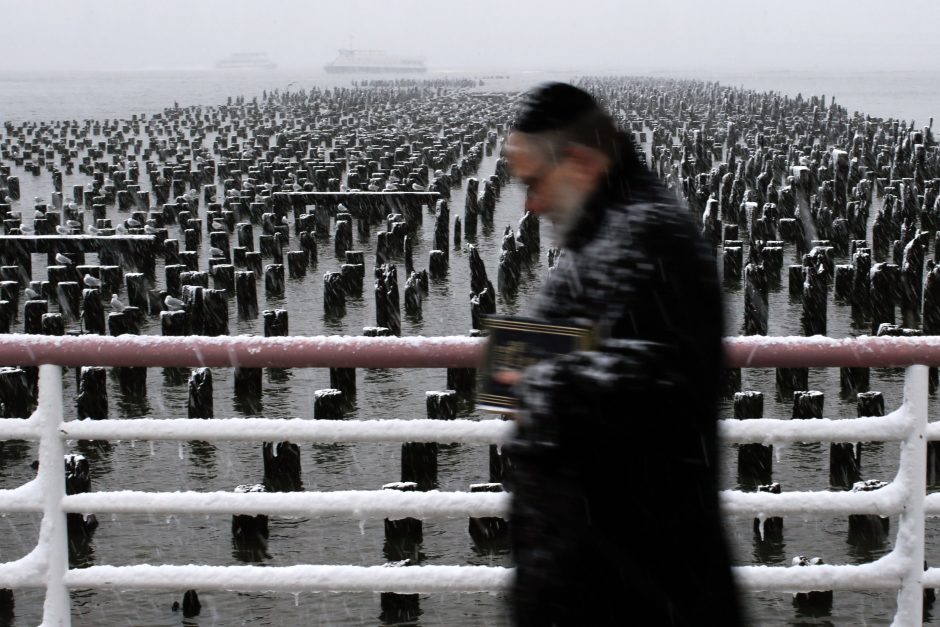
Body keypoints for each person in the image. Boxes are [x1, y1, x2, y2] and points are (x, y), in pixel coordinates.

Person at [499, 82, 743, 626]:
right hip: (611, 587)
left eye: (535, 182)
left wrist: (539, 385)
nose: (531, 204)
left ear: (582, 163)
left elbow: (656, 397)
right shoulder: (606, 244)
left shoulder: (651, 244)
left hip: (639, 596)